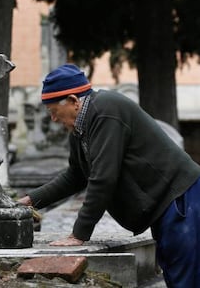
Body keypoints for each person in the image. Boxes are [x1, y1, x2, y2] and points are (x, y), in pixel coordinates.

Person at [17, 63, 200, 287]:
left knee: (185, 277)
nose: (53, 119)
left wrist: (79, 235)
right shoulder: (79, 130)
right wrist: (31, 200)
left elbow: (103, 178)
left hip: (181, 198)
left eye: (54, 111)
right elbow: (76, 176)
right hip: (164, 206)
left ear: (74, 101)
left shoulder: (106, 111)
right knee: (175, 272)